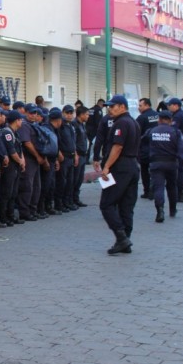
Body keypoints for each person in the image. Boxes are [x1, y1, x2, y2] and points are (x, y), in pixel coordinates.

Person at [98, 95, 140, 255]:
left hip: (120, 167)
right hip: (132, 166)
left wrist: (107, 166)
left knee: (107, 204)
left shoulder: (121, 123)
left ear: (122, 106)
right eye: (109, 106)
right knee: (126, 206)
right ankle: (125, 241)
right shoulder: (134, 122)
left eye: (113, 106)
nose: (110, 109)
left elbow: (117, 147)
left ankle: (121, 237)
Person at [147, 110, 183, 222]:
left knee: (158, 187)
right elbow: (181, 149)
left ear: (159, 120)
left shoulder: (152, 131)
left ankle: (160, 211)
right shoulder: (176, 132)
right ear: (171, 121)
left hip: (156, 164)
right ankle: (172, 209)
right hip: (171, 164)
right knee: (171, 187)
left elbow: (143, 144)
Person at [0, 111, 25, 226]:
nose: (22, 121)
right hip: (10, 166)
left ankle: (11, 215)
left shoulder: (15, 133)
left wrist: (22, 160)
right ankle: (3, 217)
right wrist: (20, 161)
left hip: (16, 165)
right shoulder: (7, 133)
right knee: (6, 192)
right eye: (20, 119)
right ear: (16, 120)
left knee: (13, 192)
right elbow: (11, 151)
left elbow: (19, 149)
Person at [167, 97, 183, 202]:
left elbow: (173, 132)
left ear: (176, 105)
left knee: (180, 171)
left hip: (181, 146)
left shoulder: (177, 117)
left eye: (170, 105)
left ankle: (180, 194)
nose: (168, 107)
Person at [136, 98, 160, 199]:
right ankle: (154, 189)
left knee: (145, 171)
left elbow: (136, 133)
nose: (138, 107)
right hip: (157, 148)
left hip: (145, 148)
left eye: (140, 105)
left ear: (146, 105)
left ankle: (147, 191)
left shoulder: (141, 118)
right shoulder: (157, 115)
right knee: (155, 171)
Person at [71, 106, 90, 207]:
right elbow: (73, 141)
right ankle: (71, 200)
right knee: (75, 179)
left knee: (79, 179)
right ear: (81, 114)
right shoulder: (74, 125)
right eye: (87, 114)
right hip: (77, 155)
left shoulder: (82, 125)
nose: (88, 116)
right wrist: (76, 155)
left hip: (83, 155)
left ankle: (76, 198)